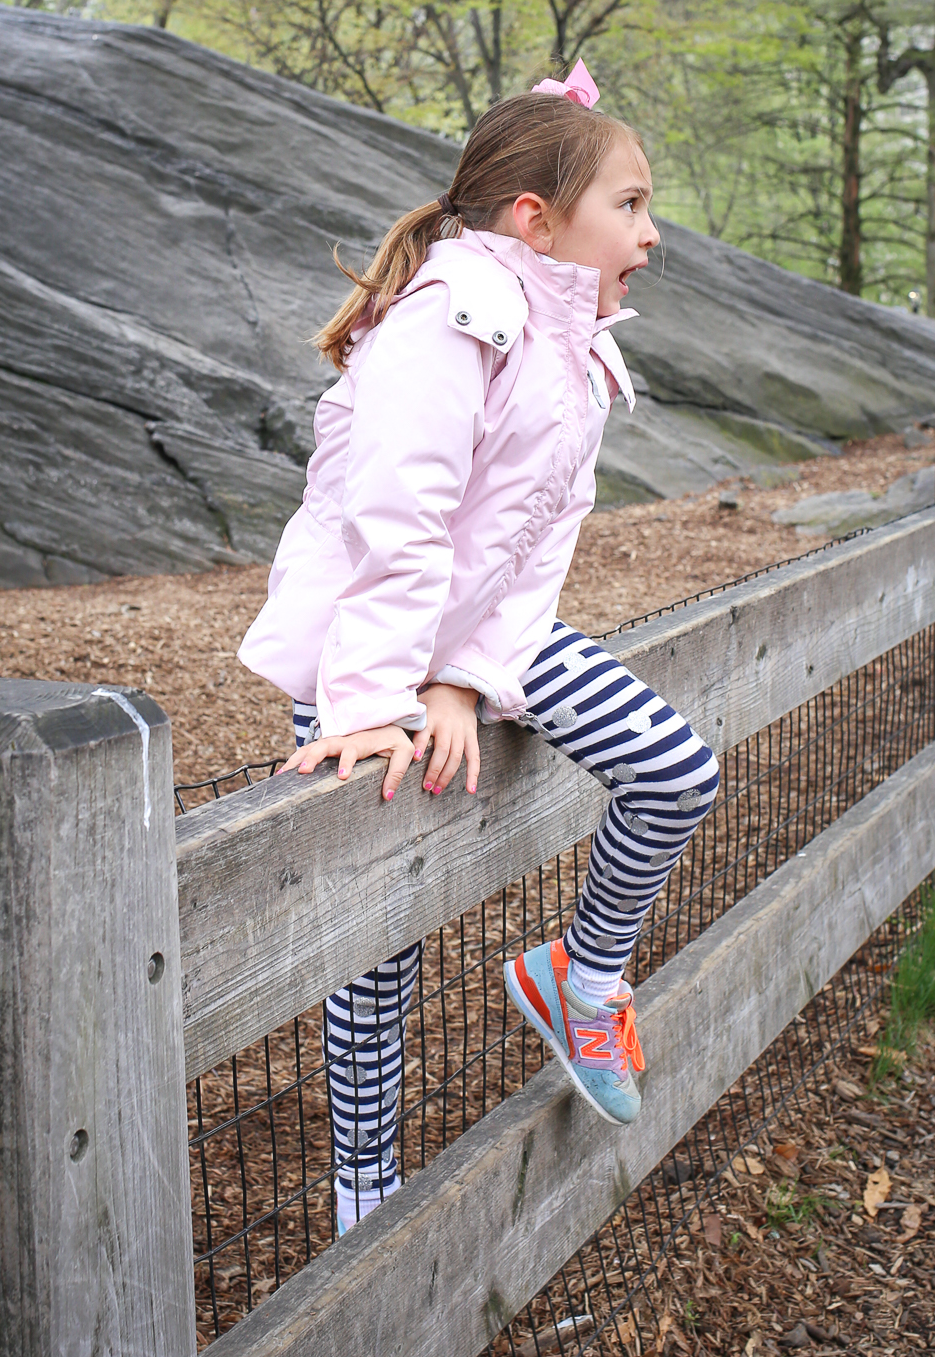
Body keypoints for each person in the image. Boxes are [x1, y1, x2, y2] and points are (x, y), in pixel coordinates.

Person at [238, 64, 721, 1234]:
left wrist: (464, 680)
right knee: (376, 942)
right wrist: (375, 699)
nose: (652, 234)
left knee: (675, 768)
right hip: (364, 652)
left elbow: (538, 548)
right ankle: (366, 1190)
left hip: (484, 641)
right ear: (536, 220)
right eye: (633, 205)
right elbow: (394, 518)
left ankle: (582, 976)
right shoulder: (448, 323)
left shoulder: (578, 347)